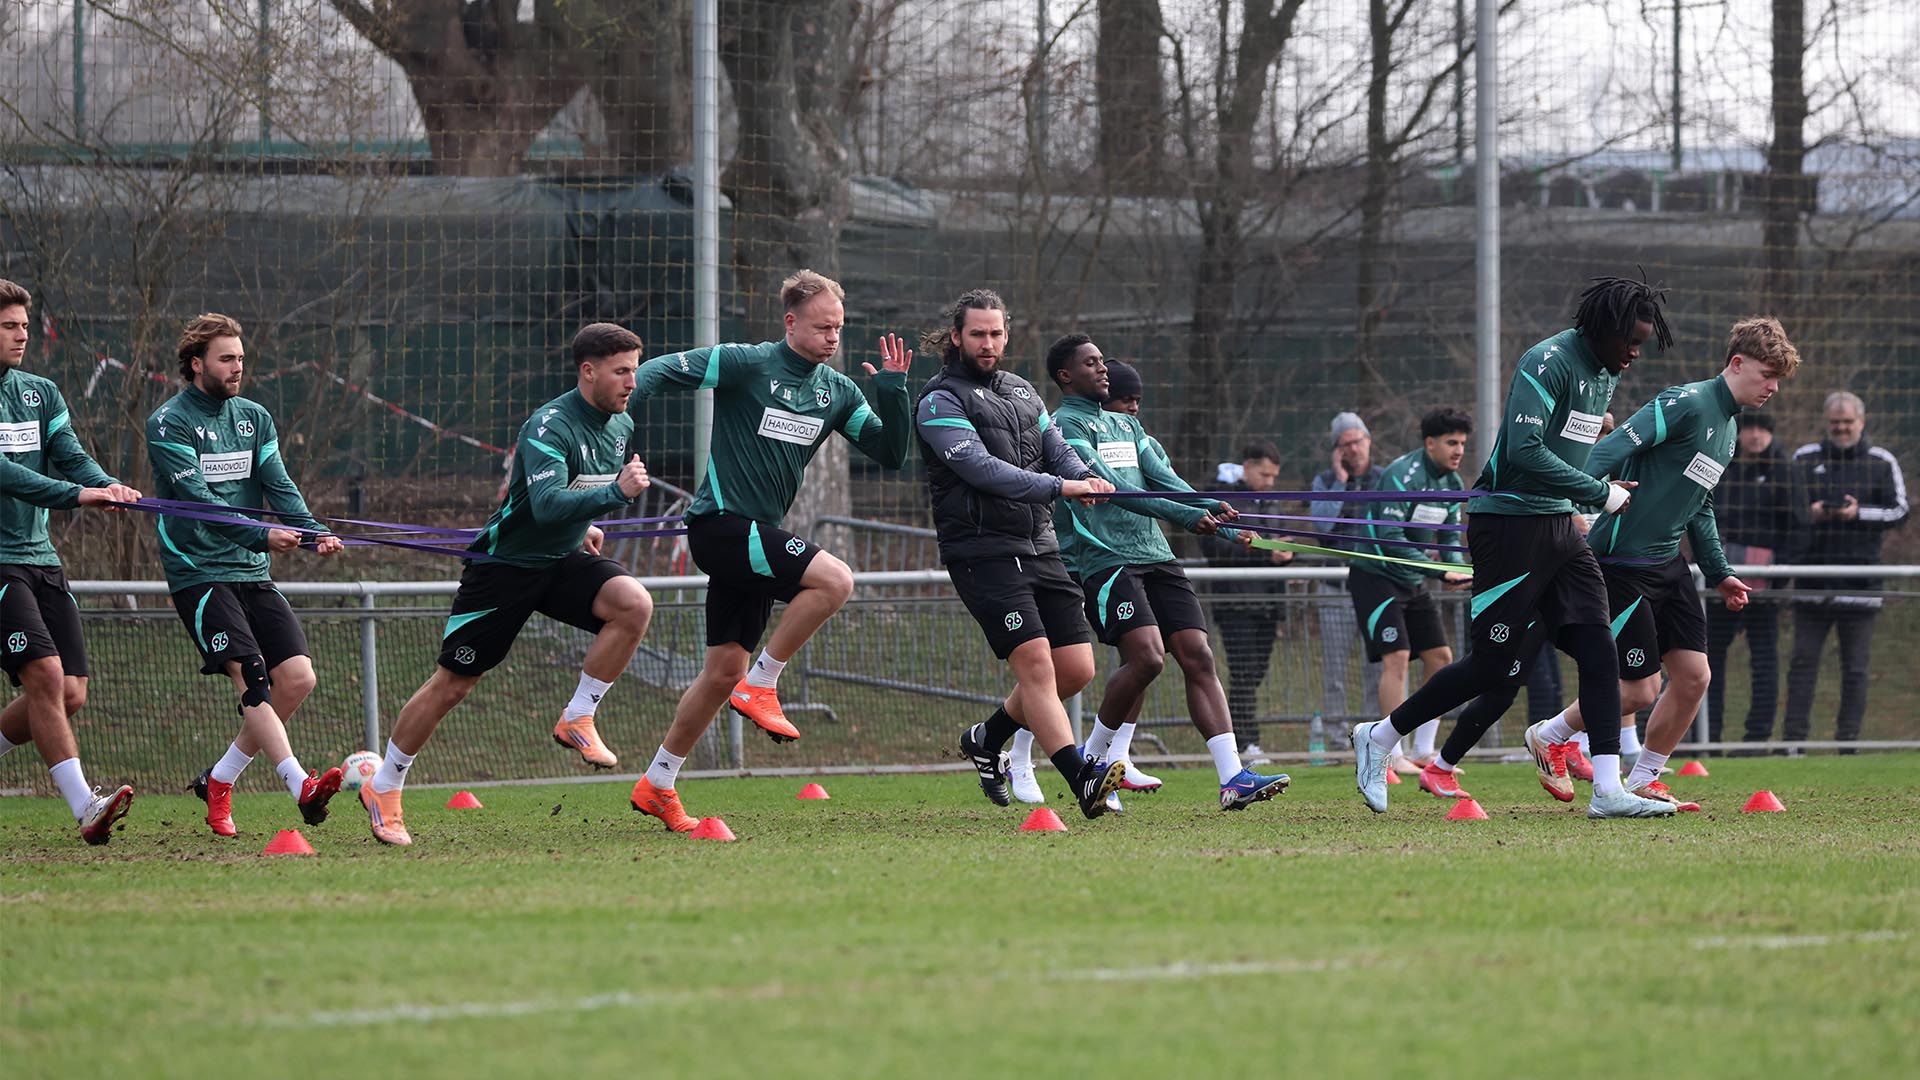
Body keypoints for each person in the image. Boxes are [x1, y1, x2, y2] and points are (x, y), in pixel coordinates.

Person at [1349, 275, 1678, 819]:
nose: (1636, 353)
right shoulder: (1547, 361)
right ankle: (1380, 736)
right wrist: (1598, 492)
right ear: (1603, 329)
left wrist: (1595, 470)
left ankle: (1607, 790)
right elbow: (1524, 450)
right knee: (1491, 667)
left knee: (1601, 651)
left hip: (1558, 527)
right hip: (1507, 526)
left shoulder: (1605, 372)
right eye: (1631, 341)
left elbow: (1564, 444)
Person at [626, 270, 913, 830]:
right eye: (823, 327)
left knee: (720, 674)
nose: (833, 337)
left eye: (839, 327)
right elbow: (656, 372)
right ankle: (763, 683)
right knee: (835, 580)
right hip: (722, 527)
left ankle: (657, 783)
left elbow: (891, 453)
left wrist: (894, 391)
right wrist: (613, 422)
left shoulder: (838, 391)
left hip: (755, 537)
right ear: (790, 322)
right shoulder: (748, 362)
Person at [357, 323, 658, 846]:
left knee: (633, 604)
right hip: (504, 568)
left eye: (635, 370)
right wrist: (614, 493)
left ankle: (578, 717)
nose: (632, 382)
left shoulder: (619, 423)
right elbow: (546, 504)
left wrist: (584, 524)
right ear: (588, 371)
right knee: (453, 684)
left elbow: (572, 497)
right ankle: (384, 785)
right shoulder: (548, 425)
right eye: (622, 371)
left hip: (558, 559)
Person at [1506, 318, 1798, 808]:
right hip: (1620, 563)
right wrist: (1574, 502)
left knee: (1695, 676)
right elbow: (1610, 449)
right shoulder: (1686, 403)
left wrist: (1720, 571)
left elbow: (1699, 504)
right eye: (1767, 375)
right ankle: (1550, 735)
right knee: (1641, 690)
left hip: (1669, 564)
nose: (1773, 388)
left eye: (1778, 380)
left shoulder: (1729, 428)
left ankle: (1644, 777)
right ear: (1737, 363)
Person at [1037, 341, 1292, 811]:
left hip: (1156, 553)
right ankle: (1093, 760)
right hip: (1107, 558)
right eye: (1091, 363)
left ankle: (1233, 778)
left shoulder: (1128, 425)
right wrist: (1187, 515)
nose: (1103, 369)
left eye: (1103, 361)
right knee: (1148, 658)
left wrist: (1213, 510)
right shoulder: (1065, 426)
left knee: (1198, 654)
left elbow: (1164, 480)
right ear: (1065, 375)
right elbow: (1116, 490)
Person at [913, 290, 1125, 820]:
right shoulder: (938, 401)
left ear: (1006, 335)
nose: (988, 343)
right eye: (977, 334)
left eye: (996, 333)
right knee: (1035, 665)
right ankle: (1081, 777)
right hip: (981, 551)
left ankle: (987, 739)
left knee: (1075, 668)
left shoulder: (1022, 390)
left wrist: (1084, 477)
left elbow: (1058, 449)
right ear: (957, 336)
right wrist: (1061, 487)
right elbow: (984, 470)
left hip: (1040, 545)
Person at [147, 313, 347, 837]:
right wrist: (261, 535)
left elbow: (279, 485)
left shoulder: (254, 417)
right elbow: (199, 500)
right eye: (226, 359)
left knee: (298, 678)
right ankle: (300, 785)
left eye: (240, 358)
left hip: (250, 570)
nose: (237, 367)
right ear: (196, 364)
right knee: (252, 674)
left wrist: (313, 532)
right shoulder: (168, 423)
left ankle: (219, 779)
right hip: (199, 571)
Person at [0, 278, 139, 844]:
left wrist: (108, 485)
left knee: (70, 692)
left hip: (41, 558)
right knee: (45, 674)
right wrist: (78, 495)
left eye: (24, 326)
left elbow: (70, 456)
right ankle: (86, 808)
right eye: (9, 326)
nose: (21, 335)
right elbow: (10, 475)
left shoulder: (40, 392)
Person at [1345, 407, 1474, 791]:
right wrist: (1439, 572)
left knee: (1441, 659)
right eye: (1451, 442)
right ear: (1430, 443)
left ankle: (1423, 750)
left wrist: (1458, 570)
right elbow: (1390, 539)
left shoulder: (1452, 483)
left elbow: (1448, 538)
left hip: (1413, 579)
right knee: (1398, 656)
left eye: (1463, 443)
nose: (1459, 450)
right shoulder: (1402, 475)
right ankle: (1390, 752)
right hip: (1376, 575)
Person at [1782, 391, 1909, 746]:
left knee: (1855, 669)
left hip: (1861, 582)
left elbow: (1900, 511)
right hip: (1811, 581)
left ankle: (1848, 742)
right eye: (1835, 422)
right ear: (1827, 423)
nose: (1841, 428)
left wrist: (1859, 513)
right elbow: (1786, 507)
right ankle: (1793, 742)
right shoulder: (1804, 458)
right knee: (1802, 664)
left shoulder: (1882, 461)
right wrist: (1812, 512)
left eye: (1848, 422)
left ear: (1861, 423)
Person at [1704, 412, 1801, 746]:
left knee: (1764, 660)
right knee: (1709, 659)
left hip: (1765, 588)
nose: (1756, 435)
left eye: (1763, 428)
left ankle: (1757, 738)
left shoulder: (1786, 472)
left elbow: (1799, 527)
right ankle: (1709, 735)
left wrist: (1778, 573)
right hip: (1720, 583)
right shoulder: (1722, 469)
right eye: (1750, 428)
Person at [1201, 442, 1292, 762]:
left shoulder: (1272, 503)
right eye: (1264, 475)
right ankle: (1245, 741)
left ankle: (1240, 738)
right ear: (1247, 467)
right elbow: (1216, 549)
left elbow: (1281, 542)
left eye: (1274, 476)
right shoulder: (1224, 501)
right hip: (1235, 602)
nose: (1270, 482)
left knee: (1255, 673)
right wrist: (1266, 553)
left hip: (1268, 602)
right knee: (1243, 672)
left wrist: (1286, 553)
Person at [1310, 413, 1384, 729]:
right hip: (1335, 589)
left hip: (1376, 586)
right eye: (1345, 444)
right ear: (1336, 450)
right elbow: (1322, 526)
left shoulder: (1384, 479)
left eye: (1358, 441)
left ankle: (1374, 733)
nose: (1354, 449)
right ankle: (1337, 737)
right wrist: (1340, 483)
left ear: (1368, 440)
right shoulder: (1325, 482)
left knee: (1377, 668)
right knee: (1335, 672)